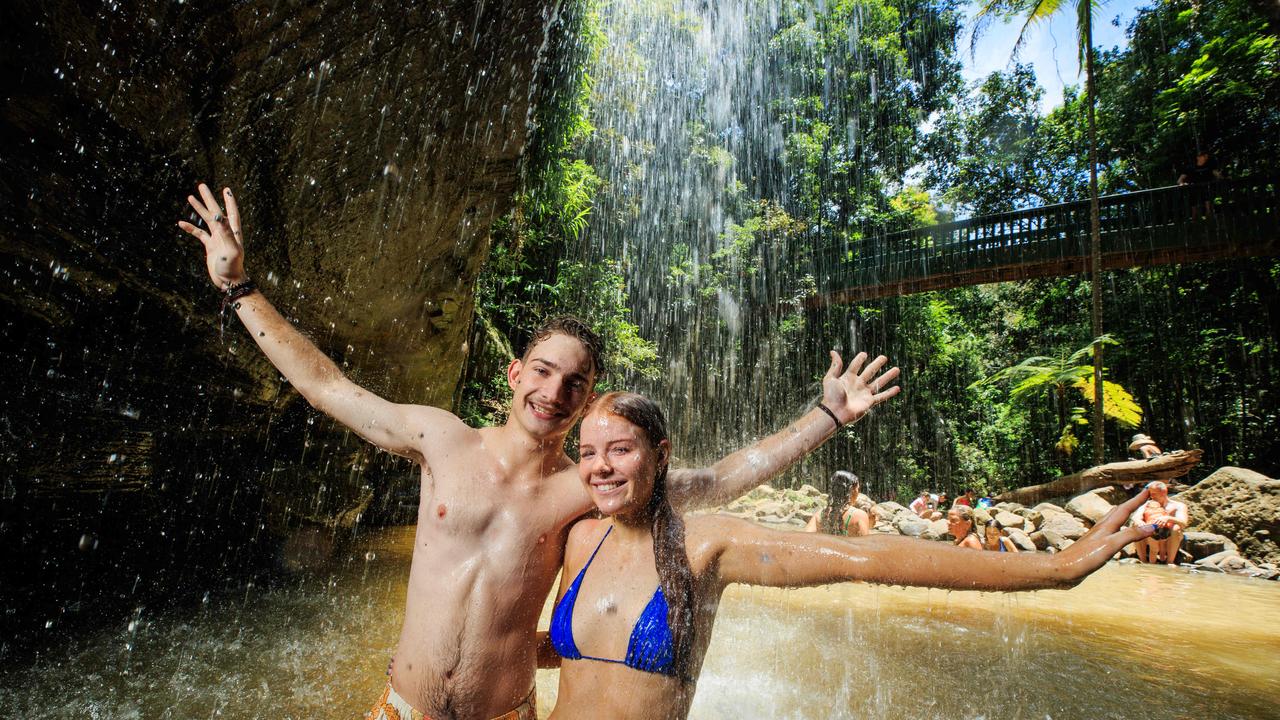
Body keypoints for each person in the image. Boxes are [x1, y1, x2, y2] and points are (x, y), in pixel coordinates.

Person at [177, 184, 903, 720]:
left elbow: (716, 481)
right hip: (400, 712)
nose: (555, 391)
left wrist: (825, 417)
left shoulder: (588, 486)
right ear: (516, 374)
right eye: (544, 372)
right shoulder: (439, 439)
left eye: (576, 383)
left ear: (590, 401)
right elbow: (327, 386)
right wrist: (239, 287)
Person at [543, 392, 1157, 719]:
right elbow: (562, 653)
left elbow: (862, 557)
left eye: (620, 449)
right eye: (589, 452)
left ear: (661, 452)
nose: (600, 466)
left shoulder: (707, 544)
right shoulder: (578, 539)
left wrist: (1054, 567)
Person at [1129, 481, 1189, 566]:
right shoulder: (1147, 504)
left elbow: (1183, 523)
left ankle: (1170, 561)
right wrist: (1140, 521)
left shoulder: (1178, 505)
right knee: (1135, 525)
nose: (1151, 496)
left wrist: (1167, 518)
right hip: (1150, 537)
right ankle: (1143, 561)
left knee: (1176, 527)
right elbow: (1135, 517)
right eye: (1150, 494)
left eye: (1154, 494)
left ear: (1164, 492)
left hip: (1169, 537)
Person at [804, 471, 871, 537]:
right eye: (857, 488)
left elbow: (805, 538)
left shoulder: (820, 515)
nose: (858, 491)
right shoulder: (859, 515)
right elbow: (866, 545)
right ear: (852, 490)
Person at [1177, 150, 1222, 219]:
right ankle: (1195, 222)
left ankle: (1209, 218)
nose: (1206, 157)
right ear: (1198, 157)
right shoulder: (1191, 168)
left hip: (1207, 191)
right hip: (1194, 193)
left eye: (1206, 156)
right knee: (1194, 213)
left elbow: (1217, 175)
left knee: (1209, 208)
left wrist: (1222, 177)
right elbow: (1180, 180)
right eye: (1203, 156)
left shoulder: (1209, 166)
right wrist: (1182, 184)